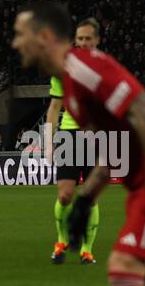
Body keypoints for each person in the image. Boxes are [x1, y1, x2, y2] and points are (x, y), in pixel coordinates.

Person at [12, 2, 145, 286]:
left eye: (21, 34)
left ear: (44, 36)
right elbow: (114, 148)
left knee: (123, 268)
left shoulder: (83, 71)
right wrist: (86, 199)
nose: (15, 42)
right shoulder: (69, 82)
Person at [44, 17, 104, 265]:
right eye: (79, 38)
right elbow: (54, 107)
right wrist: (48, 143)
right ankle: (61, 240)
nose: (83, 42)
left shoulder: (105, 69)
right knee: (66, 195)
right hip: (69, 135)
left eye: (88, 38)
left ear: (96, 40)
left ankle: (87, 250)